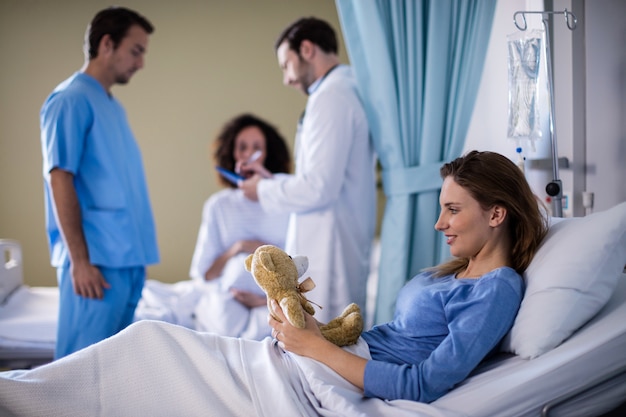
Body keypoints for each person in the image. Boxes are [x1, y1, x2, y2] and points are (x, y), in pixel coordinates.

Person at [0, 151, 548, 415]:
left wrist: (311, 345)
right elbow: (385, 339)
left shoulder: (496, 289)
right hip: (324, 361)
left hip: (327, 382)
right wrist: (308, 327)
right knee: (149, 344)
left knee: (152, 347)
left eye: (453, 210)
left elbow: (424, 383)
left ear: (497, 214)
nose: (439, 223)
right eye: (441, 209)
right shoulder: (455, 272)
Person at [38, 6, 159, 359]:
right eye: (136, 51)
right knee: (79, 372)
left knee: (112, 370)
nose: (140, 63)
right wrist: (80, 261)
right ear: (107, 44)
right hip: (96, 263)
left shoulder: (112, 107)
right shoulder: (70, 100)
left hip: (127, 260)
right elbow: (59, 178)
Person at [239, 17, 377, 323]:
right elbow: (322, 177)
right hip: (336, 232)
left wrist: (261, 190)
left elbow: (319, 188)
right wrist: (269, 180)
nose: (287, 79)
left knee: (325, 335)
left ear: (307, 49)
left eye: (286, 65)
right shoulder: (340, 91)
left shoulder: (331, 97)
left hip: (331, 246)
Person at [189, 114, 292, 338]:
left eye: (257, 148)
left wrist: (262, 300)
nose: (248, 154)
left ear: (268, 154)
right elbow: (204, 274)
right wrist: (238, 248)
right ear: (232, 153)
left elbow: (299, 268)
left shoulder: (286, 203)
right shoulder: (218, 205)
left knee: (276, 326)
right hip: (228, 297)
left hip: (275, 299)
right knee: (222, 323)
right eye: (242, 147)